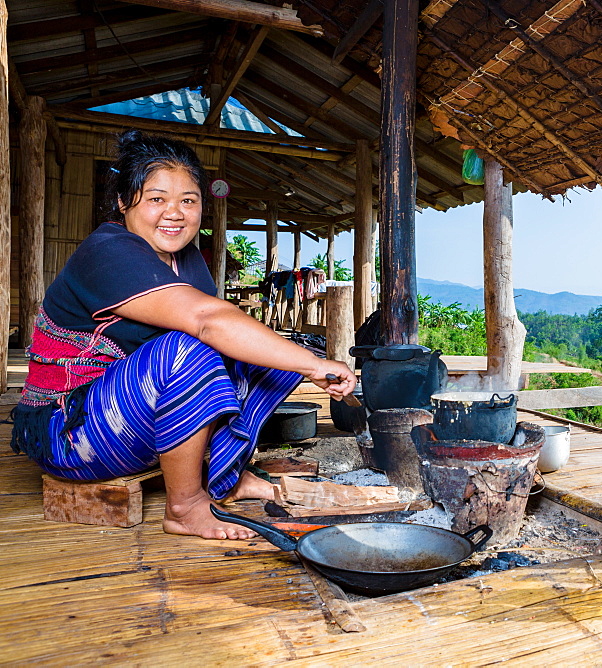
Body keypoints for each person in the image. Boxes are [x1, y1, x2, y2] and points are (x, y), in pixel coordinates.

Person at [10, 130, 357, 540]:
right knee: (190, 348)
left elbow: (227, 335)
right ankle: (185, 507)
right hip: (69, 433)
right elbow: (207, 320)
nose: (174, 213)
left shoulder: (187, 259)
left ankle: (226, 474)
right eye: (156, 198)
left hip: (129, 423)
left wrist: (300, 361)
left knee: (262, 357)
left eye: (188, 201)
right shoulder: (106, 251)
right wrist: (316, 365)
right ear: (124, 202)